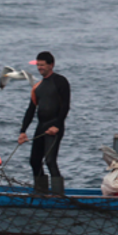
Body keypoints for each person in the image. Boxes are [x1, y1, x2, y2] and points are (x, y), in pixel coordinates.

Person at [17, 51, 70, 194]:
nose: (39, 68)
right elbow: (30, 110)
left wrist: (57, 126)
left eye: (42, 65)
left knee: (50, 161)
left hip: (55, 126)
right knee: (34, 161)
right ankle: (41, 192)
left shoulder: (60, 81)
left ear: (51, 65)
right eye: (38, 65)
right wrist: (23, 131)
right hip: (41, 127)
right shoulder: (37, 86)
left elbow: (65, 106)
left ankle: (59, 196)